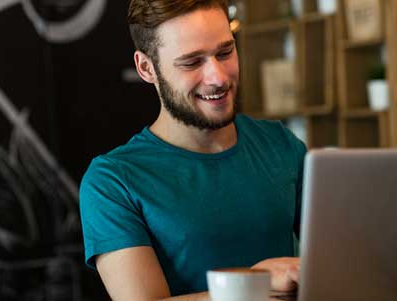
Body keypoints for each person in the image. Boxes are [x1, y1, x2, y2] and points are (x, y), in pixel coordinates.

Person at [79, 0, 307, 299]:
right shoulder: (112, 180)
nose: (218, 77)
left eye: (225, 52)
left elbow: (341, 260)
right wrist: (253, 285)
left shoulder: (281, 145)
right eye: (191, 62)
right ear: (146, 68)